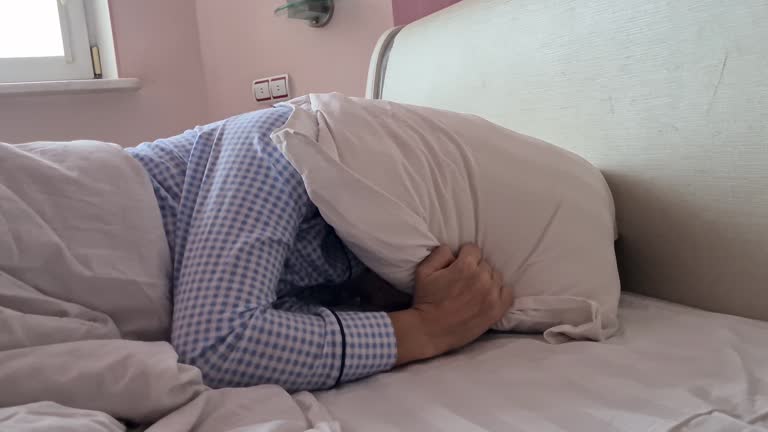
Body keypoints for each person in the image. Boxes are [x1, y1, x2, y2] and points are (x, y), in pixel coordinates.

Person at [126, 105, 514, 392]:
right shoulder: (282, 142)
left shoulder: (335, 277)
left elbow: (270, 333)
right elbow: (220, 345)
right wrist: (430, 327)